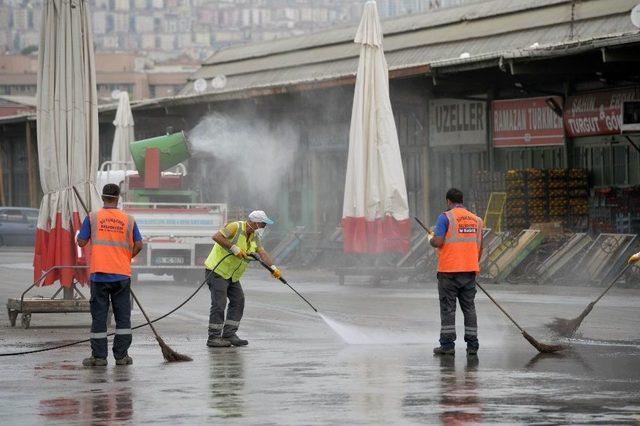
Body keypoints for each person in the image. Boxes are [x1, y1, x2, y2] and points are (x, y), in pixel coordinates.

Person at [77, 184, 143, 367]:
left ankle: (99, 357)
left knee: (99, 316)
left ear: (102, 197)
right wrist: (126, 257)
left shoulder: (92, 217)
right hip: (121, 275)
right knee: (123, 317)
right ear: (118, 197)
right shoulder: (128, 219)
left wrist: (85, 232)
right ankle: (121, 357)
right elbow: (139, 244)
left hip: (99, 275)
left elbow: (81, 242)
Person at [203, 210, 281, 348]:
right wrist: (233, 248)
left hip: (232, 275)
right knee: (219, 303)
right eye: (263, 224)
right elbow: (216, 237)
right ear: (255, 222)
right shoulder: (235, 227)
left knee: (238, 301)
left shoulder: (254, 236)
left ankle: (229, 334)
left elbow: (261, 252)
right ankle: (214, 337)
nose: (263, 227)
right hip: (217, 271)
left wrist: (273, 268)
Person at [429, 188, 483, 357]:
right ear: (462, 200)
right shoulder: (476, 220)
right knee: (469, 308)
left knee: (448, 308)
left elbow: (438, 241)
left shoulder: (445, 217)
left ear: (448, 201)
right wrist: (472, 264)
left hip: (449, 271)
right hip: (469, 271)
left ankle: (447, 345)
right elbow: (479, 247)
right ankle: (472, 345)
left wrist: (431, 239)